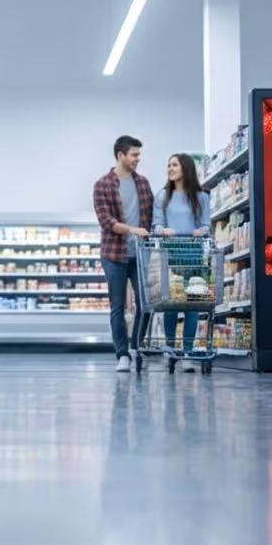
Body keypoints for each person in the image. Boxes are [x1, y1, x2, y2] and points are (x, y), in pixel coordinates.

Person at [93, 135, 154, 372]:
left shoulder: (143, 183)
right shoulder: (102, 185)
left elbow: (152, 217)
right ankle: (122, 355)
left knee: (146, 304)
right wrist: (132, 229)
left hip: (140, 255)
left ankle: (136, 348)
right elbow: (106, 221)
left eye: (139, 154)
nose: (138, 159)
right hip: (114, 254)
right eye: (134, 155)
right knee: (117, 306)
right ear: (120, 155)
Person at [153, 152, 211, 372]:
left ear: (185, 168)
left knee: (192, 306)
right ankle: (170, 350)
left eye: (174, 165)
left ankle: (187, 352)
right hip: (170, 254)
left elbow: (206, 225)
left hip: (194, 254)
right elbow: (156, 225)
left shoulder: (201, 197)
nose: (170, 169)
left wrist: (201, 231)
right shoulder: (162, 196)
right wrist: (163, 231)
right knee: (170, 305)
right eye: (168, 165)